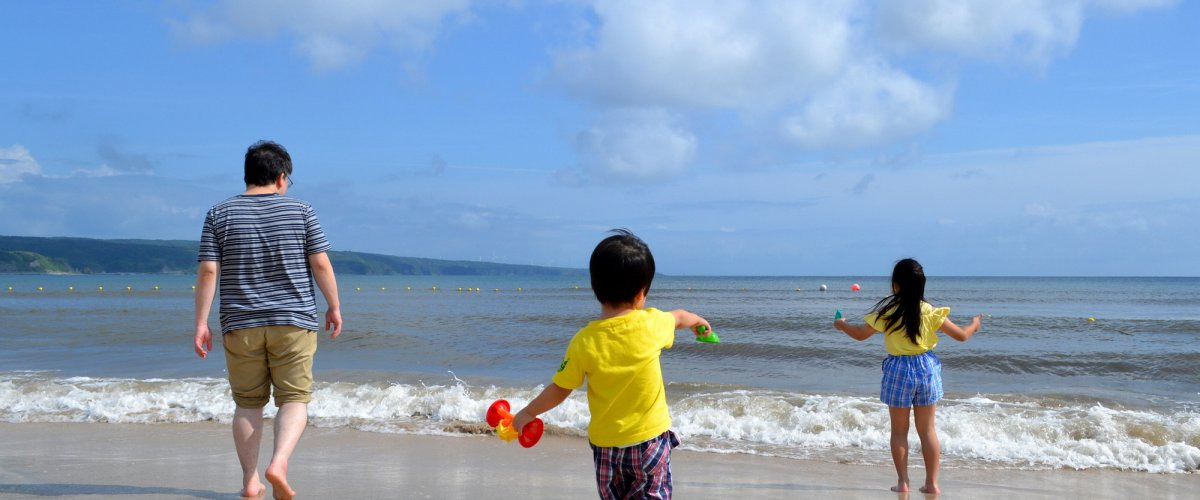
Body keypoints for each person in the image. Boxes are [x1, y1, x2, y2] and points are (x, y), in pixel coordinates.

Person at [193, 140, 342, 500]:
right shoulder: (302, 211)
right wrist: (334, 306)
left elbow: (209, 271)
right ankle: (279, 463)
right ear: (281, 177)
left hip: (240, 323)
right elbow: (320, 263)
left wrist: (201, 322)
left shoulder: (219, 214)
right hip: (293, 320)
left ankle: (250, 482)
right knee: (294, 398)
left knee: (248, 403)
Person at [512, 229, 711, 500]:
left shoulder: (584, 341)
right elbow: (678, 317)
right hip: (649, 442)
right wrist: (699, 323)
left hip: (607, 448)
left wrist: (527, 413)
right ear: (642, 293)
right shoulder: (652, 324)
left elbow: (560, 388)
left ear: (596, 287)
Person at [833, 258, 981, 495]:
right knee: (927, 431)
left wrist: (842, 325)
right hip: (927, 368)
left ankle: (903, 482)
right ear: (922, 285)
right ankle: (932, 483)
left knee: (899, 431)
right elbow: (962, 336)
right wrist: (974, 324)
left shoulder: (888, 311)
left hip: (898, 370)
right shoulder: (929, 311)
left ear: (895, 285)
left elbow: (861, 334)